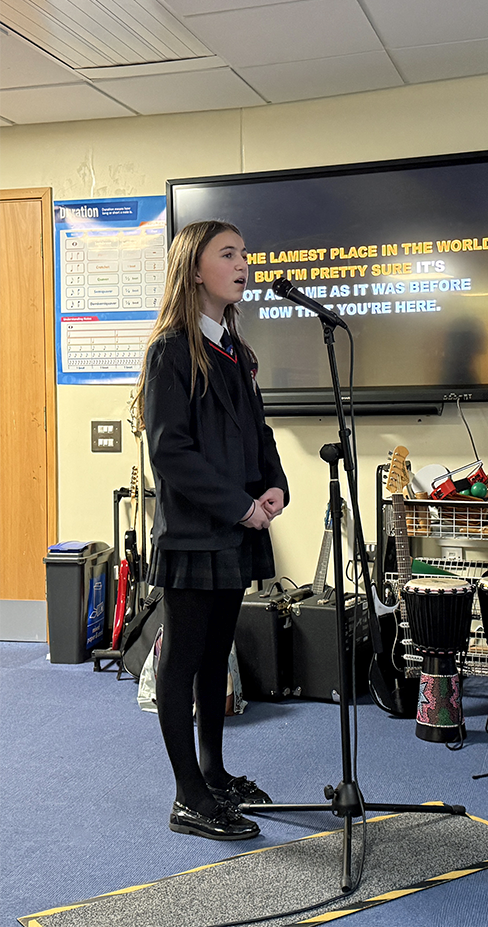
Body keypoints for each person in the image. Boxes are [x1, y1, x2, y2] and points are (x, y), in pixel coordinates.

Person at [132, 220, 289, 841]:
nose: (243, 263)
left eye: (244, 253)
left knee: (215, 654)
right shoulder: (171, 351)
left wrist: (274, 485)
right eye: (228, 254)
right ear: (194, 270)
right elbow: (170, 452)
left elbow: (260, 432)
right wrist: (237, 506)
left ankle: (213, 773)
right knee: (183, 660)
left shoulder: (235, 351)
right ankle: (188, 797)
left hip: (235, 529)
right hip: (195, 533)